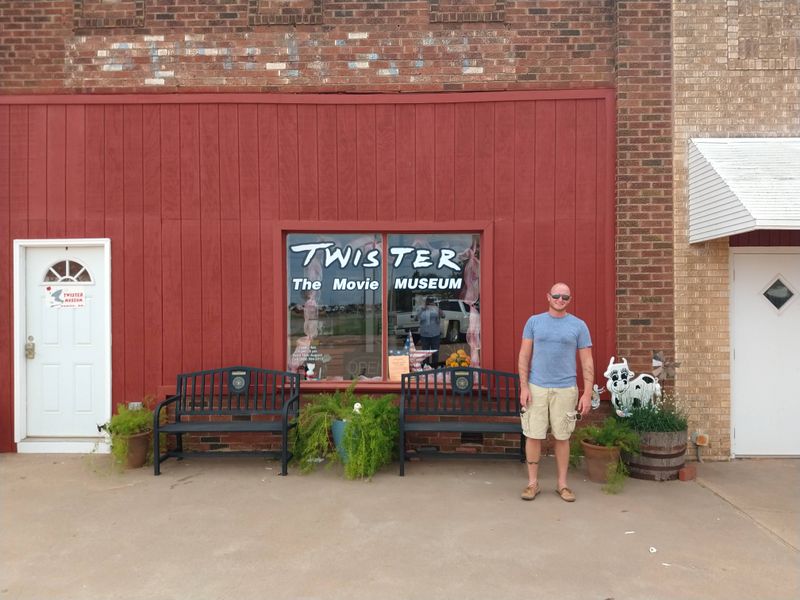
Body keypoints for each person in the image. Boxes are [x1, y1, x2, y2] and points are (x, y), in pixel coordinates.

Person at [518, 282, 594, 502]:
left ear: (570, 300)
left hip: (566, 389)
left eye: (565, 297)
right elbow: (524, 355)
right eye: (557, 296)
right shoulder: (534, 322)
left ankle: (562, 484)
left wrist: (587, 392)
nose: (561, 300)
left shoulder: (579, 326)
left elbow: (587, 359)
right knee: (533, 435)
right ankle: (532, 484)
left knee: (562, 437)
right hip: (537, 387)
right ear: (548, 297)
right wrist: (524, 386)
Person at [416, 297, 444, 367]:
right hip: (424, 335)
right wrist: (422, 310)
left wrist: (438, 310)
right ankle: (426, 369)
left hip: (435, 335)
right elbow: (416, 318)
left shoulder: (436, 309)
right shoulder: (421, 309)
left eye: (432, 302)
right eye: (429, 302)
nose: (430, 304)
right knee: (425, 354)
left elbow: (443, 315)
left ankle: (434, 368)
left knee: (435, 353)